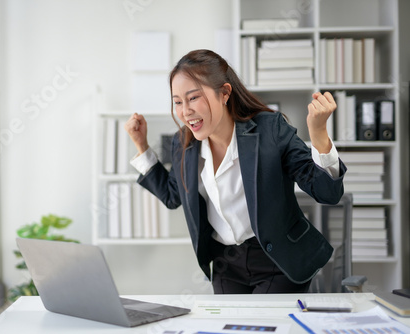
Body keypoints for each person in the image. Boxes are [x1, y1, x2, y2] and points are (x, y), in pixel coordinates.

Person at [124, 49, 346, 294]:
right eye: (178, 102)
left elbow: (327, 192)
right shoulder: (184, 143)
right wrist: (142, 146)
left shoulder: (269, 129)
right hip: (225, 264)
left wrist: (318, 134)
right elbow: (172, 196)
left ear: (225, 93)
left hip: (277, 260)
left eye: (193, 98)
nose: (185, 111)